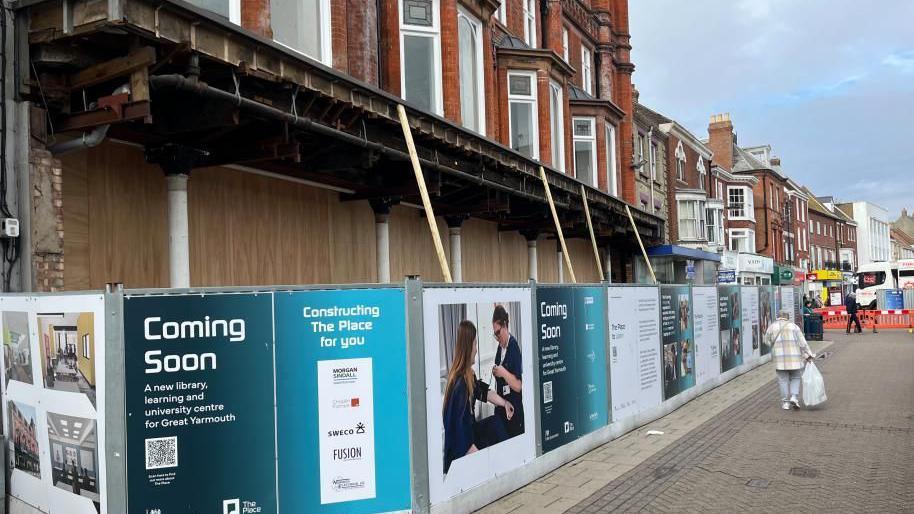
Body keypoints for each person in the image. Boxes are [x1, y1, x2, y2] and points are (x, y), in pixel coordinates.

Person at [442, 320, 514, 474]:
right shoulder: (460, 384)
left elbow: (484, 393)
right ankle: (510, 464)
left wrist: (505, 403)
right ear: (468, 347)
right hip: (460, 449)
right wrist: (481, 462)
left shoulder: (468, 375)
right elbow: (459, 433)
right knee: (493, 428)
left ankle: (511, 461)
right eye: (475, 344)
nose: (476, 349)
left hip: (470, 434)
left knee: (495, 422)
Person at [765, 309, 815, 410]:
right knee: (796, 377)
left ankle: (785, 403)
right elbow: (802, 343)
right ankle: (794, 397)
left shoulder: (772, 327)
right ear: (787, 317)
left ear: (778, 316)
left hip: (779, 360)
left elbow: (766, 341)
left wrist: (775, 346)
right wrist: (809, 354)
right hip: (795, 359)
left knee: (783, 380)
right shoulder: (794, 327)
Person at [491, 305, 524, 438]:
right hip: (501, 408)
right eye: (495, 334)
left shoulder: (514, 347)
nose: (497, 337)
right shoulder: (500, 349)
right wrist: (496, 371)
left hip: (513, 411)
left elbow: (518, 386)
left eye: (498, 332)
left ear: (505, 325)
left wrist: (503, 372)